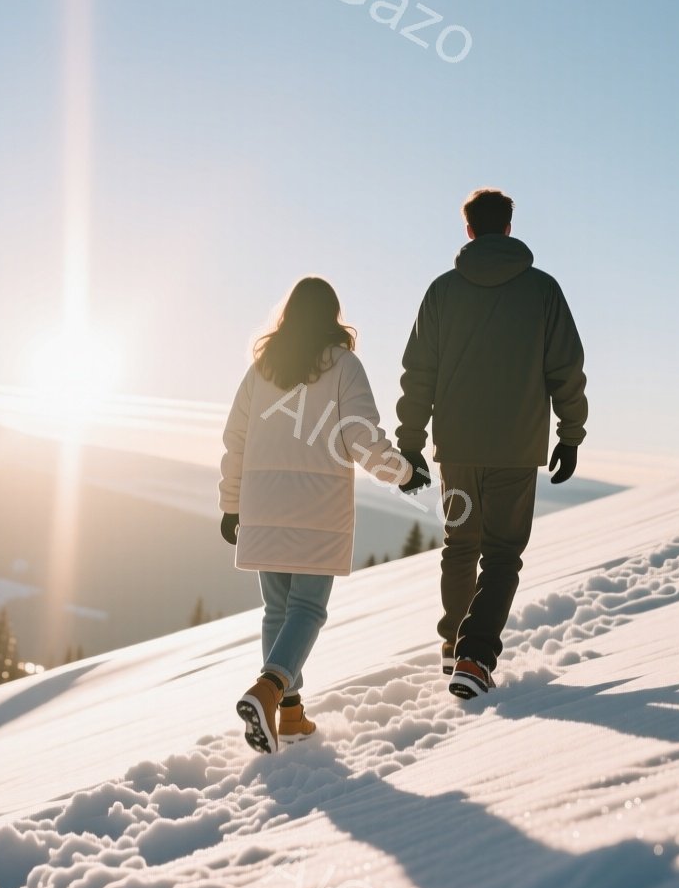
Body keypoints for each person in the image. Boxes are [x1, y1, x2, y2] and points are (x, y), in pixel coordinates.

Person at [395, 188, 589, 699]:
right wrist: (570, 436)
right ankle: (475, 656)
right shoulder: (543, 290)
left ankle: (452, 645)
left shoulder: (442, 292)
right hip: (516, 450)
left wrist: (410, 442)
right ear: (508, 227)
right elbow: (566, 369)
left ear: (468, 231)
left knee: (460, 547)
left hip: (455, 451)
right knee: (502, 556)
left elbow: (419, 373)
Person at [219, 276, 409, 753]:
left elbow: (235, 440)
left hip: (262, 509)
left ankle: (289, 714)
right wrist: (403, 473)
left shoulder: (263, 368)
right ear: (332, 316)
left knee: (278, 611)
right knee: (306, 609)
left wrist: (230, 504)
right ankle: (268, 689)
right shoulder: (344, 366)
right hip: (316, 511)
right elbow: (361, 437)